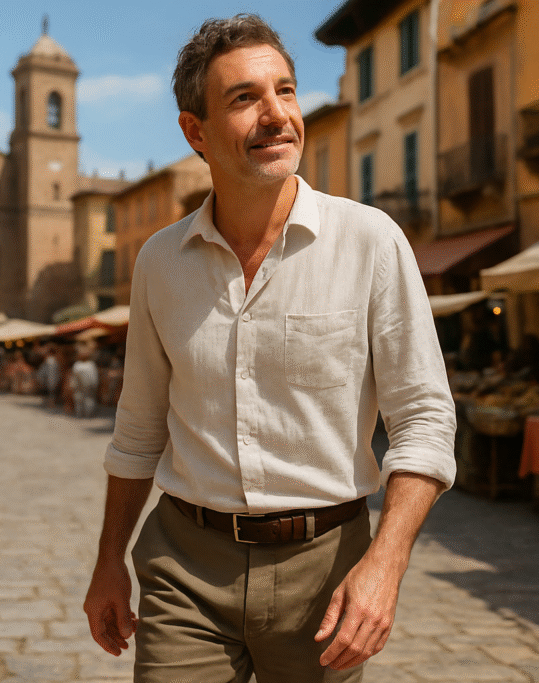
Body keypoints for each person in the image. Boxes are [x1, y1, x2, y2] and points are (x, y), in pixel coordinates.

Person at [83, 15, 456, 682]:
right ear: (195, 131)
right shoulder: (160, 262)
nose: (277, 115)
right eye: (245, 98)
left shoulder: (370, 241)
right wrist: (109, 559)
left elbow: (425, 420)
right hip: (185, 569)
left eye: (285, 91)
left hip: (325, 570)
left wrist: (385, 562)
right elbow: (138, 428)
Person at [70, 344, 100, 418]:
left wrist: (73, 385)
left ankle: (82, 414)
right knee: (86, 399)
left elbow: (74, 377)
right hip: (86, 386)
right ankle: (86, 414)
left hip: (83, 386)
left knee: (82, 399)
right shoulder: (90, 365)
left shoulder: (79, 365)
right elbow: (94, 377)